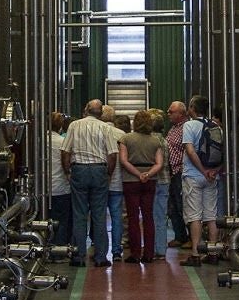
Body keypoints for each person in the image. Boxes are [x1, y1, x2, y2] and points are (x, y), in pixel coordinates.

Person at [61, 100, 117, 266]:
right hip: (99, 170)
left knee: (79, 215)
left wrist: (67, 172)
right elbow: (112, 155)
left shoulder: (74, 126)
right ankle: (100, 257)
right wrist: (108, 174)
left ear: (85, 110)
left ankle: (78, 256)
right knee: (99, 215)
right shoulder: (106, 128)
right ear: (100, 114)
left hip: (79, 170)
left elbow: (65, 151)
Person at [180, 95, 222, 266]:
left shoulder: (189, 125)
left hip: (193, 176)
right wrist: (213, 171)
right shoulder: (216, 127)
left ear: (192, 108)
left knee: (195, 216)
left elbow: (190, 151)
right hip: (212, 177)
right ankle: (213, 253)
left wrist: (202, 170)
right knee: (211, 216)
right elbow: (224, 152)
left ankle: (196, 254)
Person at [118, 110, 165, 263]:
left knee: (133, 217)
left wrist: (138, 174)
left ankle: (135, 253)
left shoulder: (126, 139)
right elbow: (160, 163)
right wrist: (148, 174)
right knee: (148, 216)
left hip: (131, 180)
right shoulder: (156, 141)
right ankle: (149, 253)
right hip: (150, 181)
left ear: (134, 122)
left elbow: (123, 161)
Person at [102, 107, 127, 261]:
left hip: (101, 181)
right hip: (118, 182)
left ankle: (100, 248)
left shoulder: (98, 132)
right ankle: (117, 250)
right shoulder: (123, 135)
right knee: (117, 216)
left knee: (99, 216)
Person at [164, 100, 189, 251]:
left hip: (180, 172)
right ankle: (180, 236)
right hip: (171, 173)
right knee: (172, 206)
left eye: (171, 112)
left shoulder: (186, 128)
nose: (168, 114)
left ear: (181, 114)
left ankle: (191, 238)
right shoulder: (173, 128)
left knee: (182, 205)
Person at [146, 108, 171, 255]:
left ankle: (153, 247)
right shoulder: (164, 140)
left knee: (151, 216)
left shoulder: (151, 141)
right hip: (165, 180)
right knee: (161, 216)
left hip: (153, 180)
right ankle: (161, 249)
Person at [48, 112, 71, 247]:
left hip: (43, 188)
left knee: (46, 218)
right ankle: (59, 250)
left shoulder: (39, 141)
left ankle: (46, 246)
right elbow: (67, 163)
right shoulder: (63, 142)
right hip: (61, 186)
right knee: (62, 220)